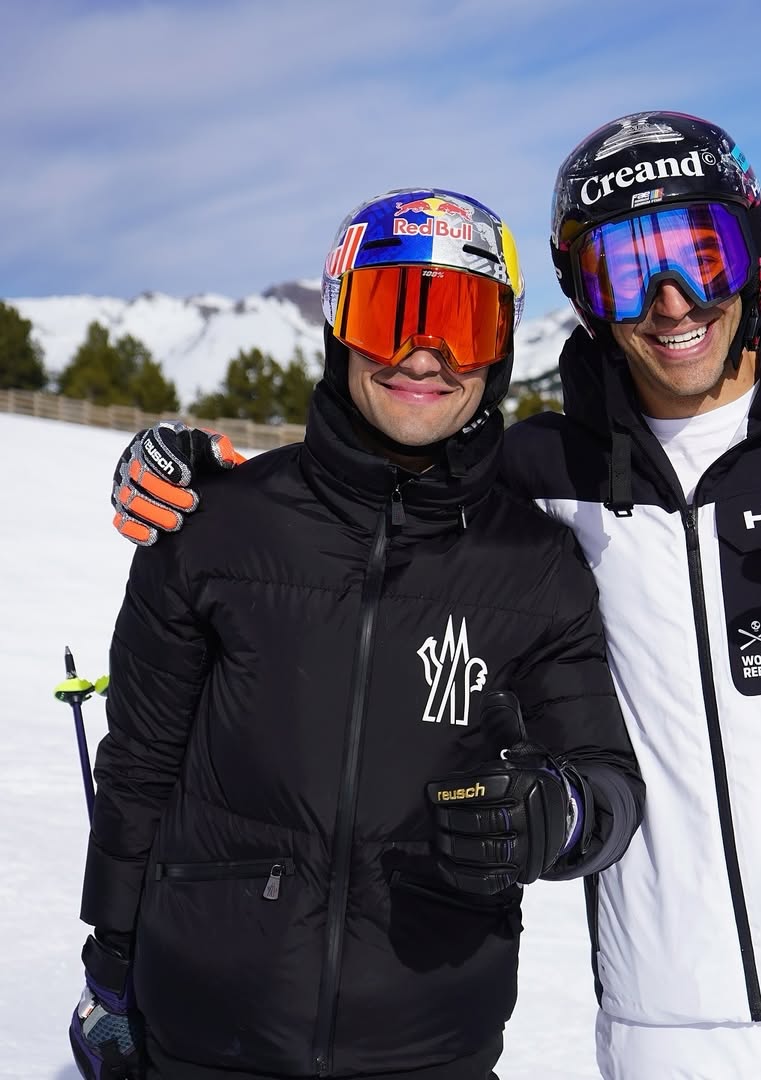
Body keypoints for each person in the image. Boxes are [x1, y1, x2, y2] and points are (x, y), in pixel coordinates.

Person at [105, 114, 761, 1080]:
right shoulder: (544, 473)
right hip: (673, 1014)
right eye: (625, 269)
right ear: (582, 294)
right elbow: (365, 494)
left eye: (703, 253)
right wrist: (207, 474)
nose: (670, 301)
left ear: (756, 251)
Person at [73, 187, 643, 1080]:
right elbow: (141, 764)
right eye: (392, 313)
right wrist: (109, 963)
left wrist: (554, 815)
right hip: (204, 1029)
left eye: (464, 321)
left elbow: (607, 783)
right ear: (341, 325)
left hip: (430, 1037)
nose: (426, 353)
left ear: (498, 350)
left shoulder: (537, 565)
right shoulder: (215, 526)